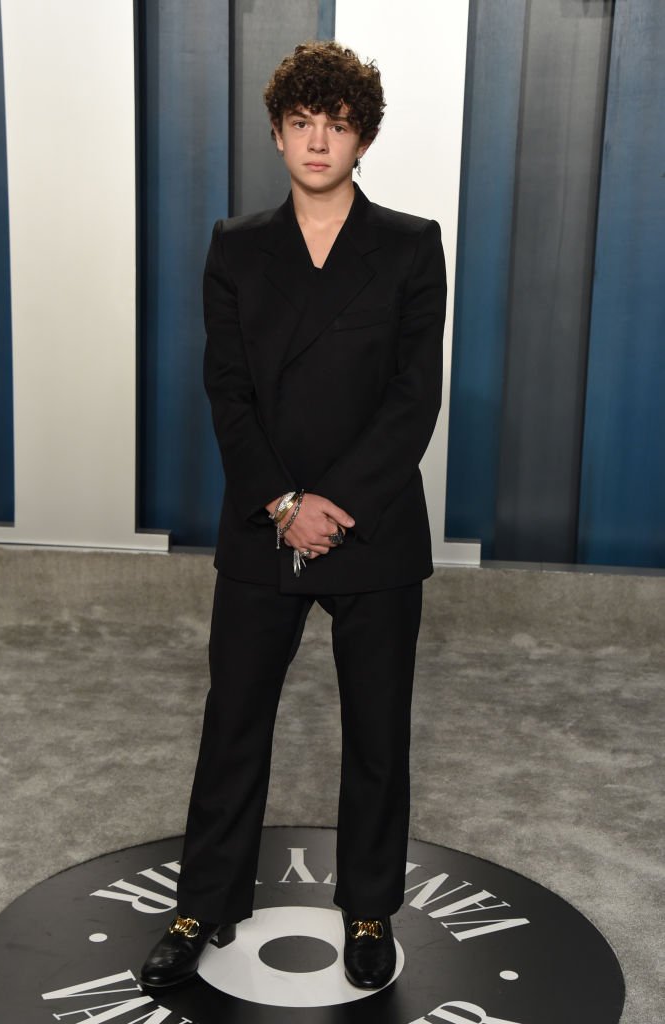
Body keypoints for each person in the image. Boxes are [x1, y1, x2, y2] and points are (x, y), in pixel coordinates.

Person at [140, 39, 446, 992]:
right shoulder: (237, 246)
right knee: (233, 720)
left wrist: (334, 505)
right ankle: (203, 902)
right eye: (302, 122)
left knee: (376, 732)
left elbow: (414, 396)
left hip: (376, 524)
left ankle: (365, 909)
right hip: (261, 522)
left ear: (363, 137)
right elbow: (226, 392)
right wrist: (283, 503)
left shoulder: (409, 243)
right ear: (278, 135)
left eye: (338, 124)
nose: (319, 140)